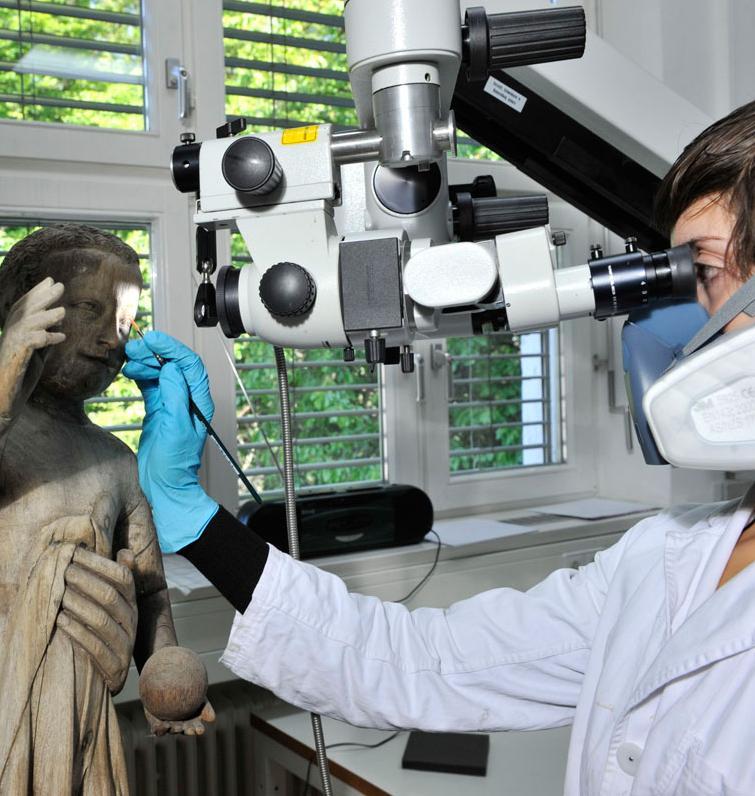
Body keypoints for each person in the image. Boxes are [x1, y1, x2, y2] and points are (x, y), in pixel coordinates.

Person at [125, 101, 755, 795]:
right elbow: (420, 663)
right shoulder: (667, 556)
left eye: (702, 271)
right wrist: (196, 520)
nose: (683, 322)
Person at [0, 225, 213, 794]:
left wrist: (163, 671)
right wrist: (6, 371)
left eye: (123, 320)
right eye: (88, 309)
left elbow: (149, 587)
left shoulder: (117, 461)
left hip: (83, 715)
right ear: (20, 311)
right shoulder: (7, 437)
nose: (108, 337)